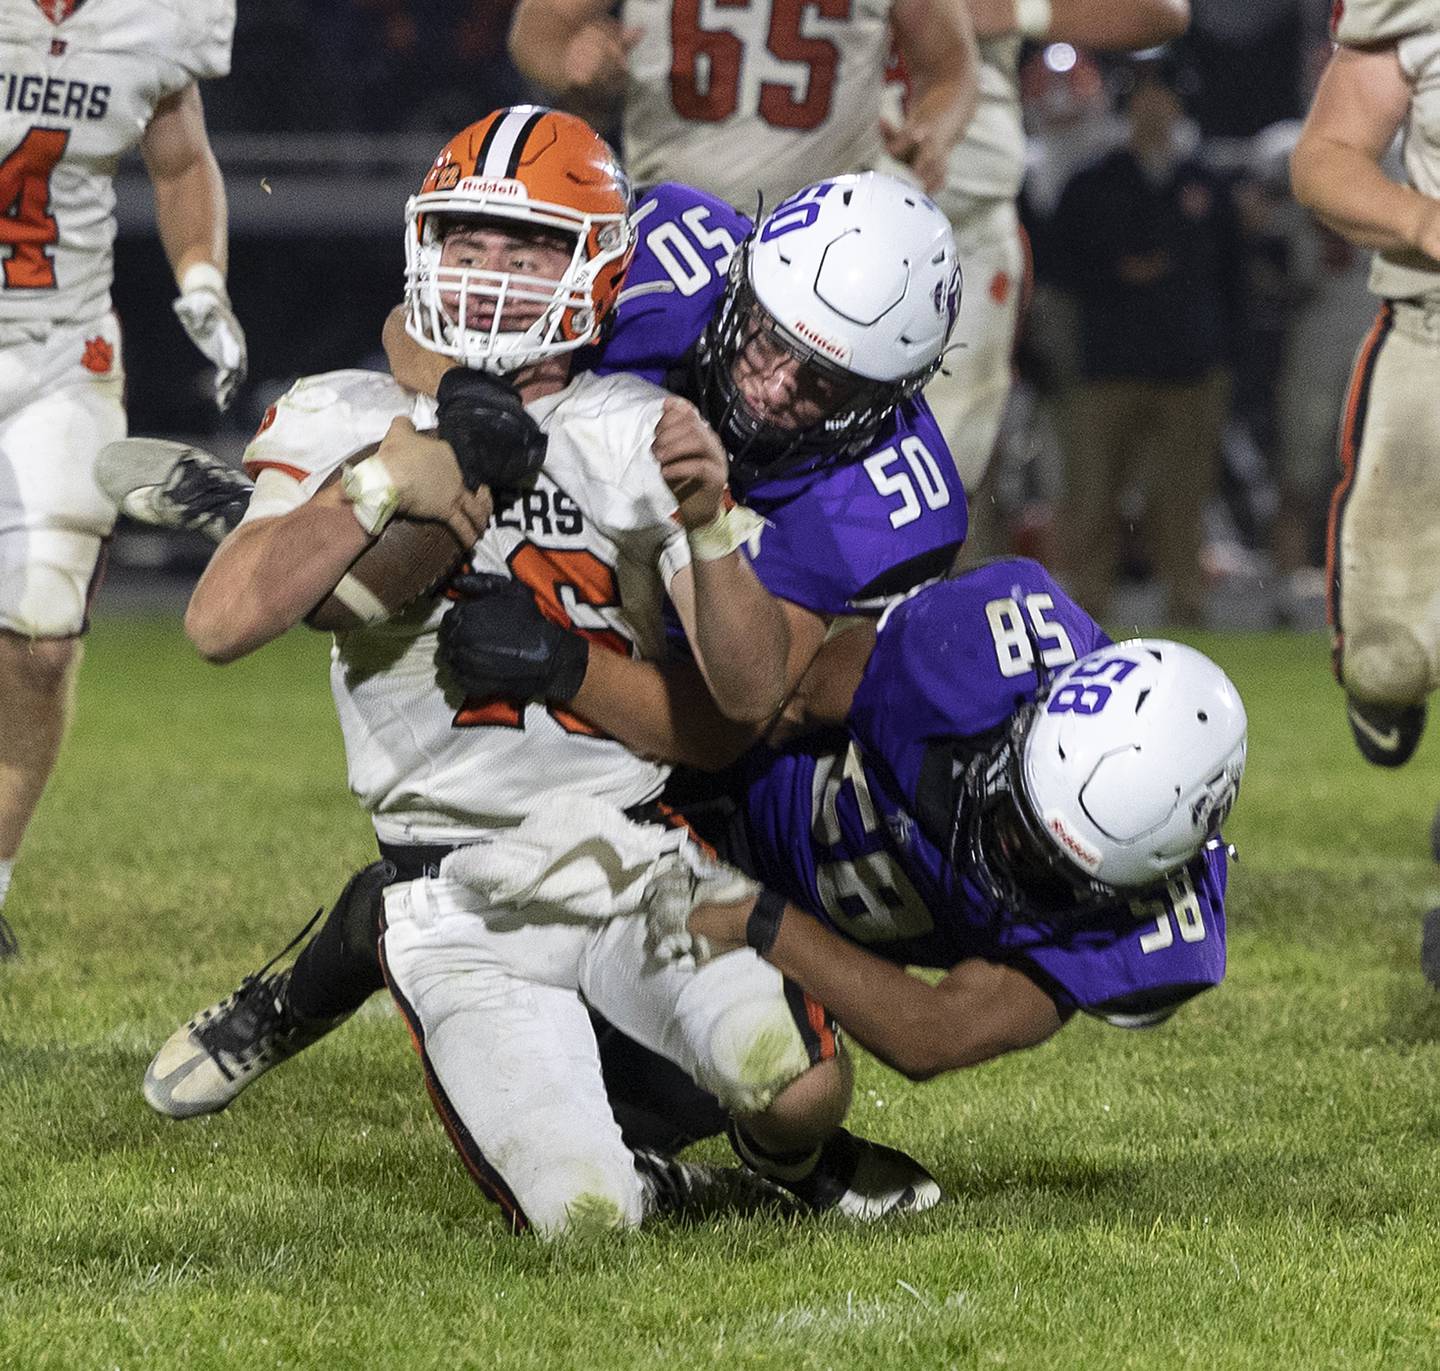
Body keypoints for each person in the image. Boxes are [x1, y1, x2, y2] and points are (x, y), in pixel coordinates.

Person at [141, 109, 963, 1236]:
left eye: (821, 387)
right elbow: (246, 611)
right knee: (583, 1214)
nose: (773, 390)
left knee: (782, 1060)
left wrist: (597, 631)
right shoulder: (618, 291)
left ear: (889, 402)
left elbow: (742, 708)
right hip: (453, 846)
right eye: (766, 342)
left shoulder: (742, 459)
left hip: (640, 792)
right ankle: (338, 970)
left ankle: (769, 1148)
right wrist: (420, 453)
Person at [436, 557, 1245, 1150]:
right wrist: (589, 704)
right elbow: (764, 703)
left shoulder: (1150, 939)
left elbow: (931, 1032)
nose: (1007, 846)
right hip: (718, 781)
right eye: (1016, 807)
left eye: (1046, 860)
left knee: (706, 1093)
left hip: (785, 917)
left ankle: (789, 1161)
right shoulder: (974, 656)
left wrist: (758, 918)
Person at [0, 0, 246, 958]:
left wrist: (202, 281)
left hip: (61, 353)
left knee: (43, 642)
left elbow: (180, 161)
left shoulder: (160, 12)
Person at [885, 0, 1190, 544]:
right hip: (812, 190)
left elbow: (1162, 11)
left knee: (940, 466)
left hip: (960, 210)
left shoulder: (1092, 159)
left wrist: (1017, 11)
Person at [1288, 1, 1440, 771]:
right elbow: (1326, 155)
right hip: (1434, 327)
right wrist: (1420, 219)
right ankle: (1386, 687)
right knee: (1388, 659)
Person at [1047, 51, 1244, 625]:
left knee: (1182, 498)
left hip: (1189, 366)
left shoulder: (1205, 183)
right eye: (1144, 97)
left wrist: (1226, 358)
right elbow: (1059, 269)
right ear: (1128, 107)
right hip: (1108, 364)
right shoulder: (1093, 183)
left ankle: (1186, 602)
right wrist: (1116, 272)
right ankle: (1083, 609)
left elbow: (1233, 276)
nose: (1155, 107)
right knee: (1091, 497)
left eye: (1164, 96)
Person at [505, 0, 978, 206]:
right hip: (665, 217)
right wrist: (570, 60)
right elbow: (538, 22)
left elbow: (951, 62)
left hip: (824, 231)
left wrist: (934, 128)